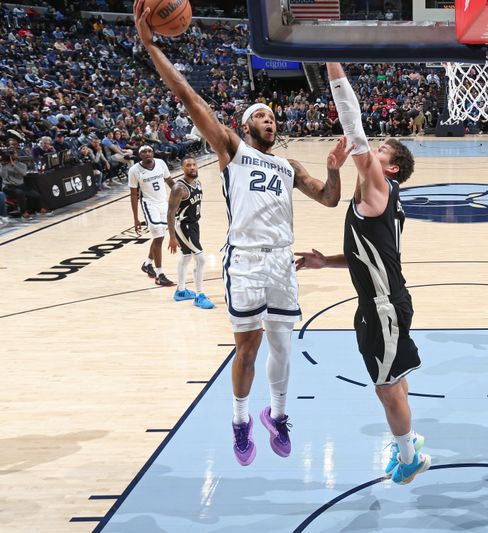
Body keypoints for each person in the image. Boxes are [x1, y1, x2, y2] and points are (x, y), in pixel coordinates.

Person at [135, 0, 347, 467]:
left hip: (281, 259)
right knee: (246, 347)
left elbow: (330, 200)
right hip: (246, 259)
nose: (270, 121)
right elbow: (189, 97)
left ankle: (279, 415)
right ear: (247, 124)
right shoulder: (231, 148)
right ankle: (239, 419)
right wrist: (151, 46)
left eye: (273, 117)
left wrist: (334, 171)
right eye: (262, 116)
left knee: (283, 343)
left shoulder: (286, 164)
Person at [293, 62, 430, 485]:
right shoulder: (375, 197)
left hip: (384, 305)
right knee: (395, 378)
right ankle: (409, 440)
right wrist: (325, 262)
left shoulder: (379, 187)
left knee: (385, 387)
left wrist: (334, 66)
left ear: (389, 169)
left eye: (379, 152)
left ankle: (409, 457)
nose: (370, 154)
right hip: (381, 302)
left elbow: (352, 125)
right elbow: (367, 255)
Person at [167, 157, 214, 309]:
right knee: (200, 259)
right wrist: (172, 237)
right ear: (183, 168)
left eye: (194, 164)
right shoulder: (178, 188)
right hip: (183, 226)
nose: (193, 167)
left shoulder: (198, 183)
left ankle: (180, 291)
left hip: (194, 224)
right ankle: (200, 296)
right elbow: (170, 213)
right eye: (188, 165)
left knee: (187, 256)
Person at [129, 144, 175, 286]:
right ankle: (159, 274)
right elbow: (133, 195)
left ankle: (147, 263)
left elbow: (170, 181)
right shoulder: (134, 170)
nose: (147, 153)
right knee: (159, 236)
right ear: (140, 155)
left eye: (149, 151)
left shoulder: (161, 163)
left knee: (158, 237)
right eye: (144, 152)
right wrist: (136, 218)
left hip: (163, 203)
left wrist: (180, 194)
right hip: (149, 204)